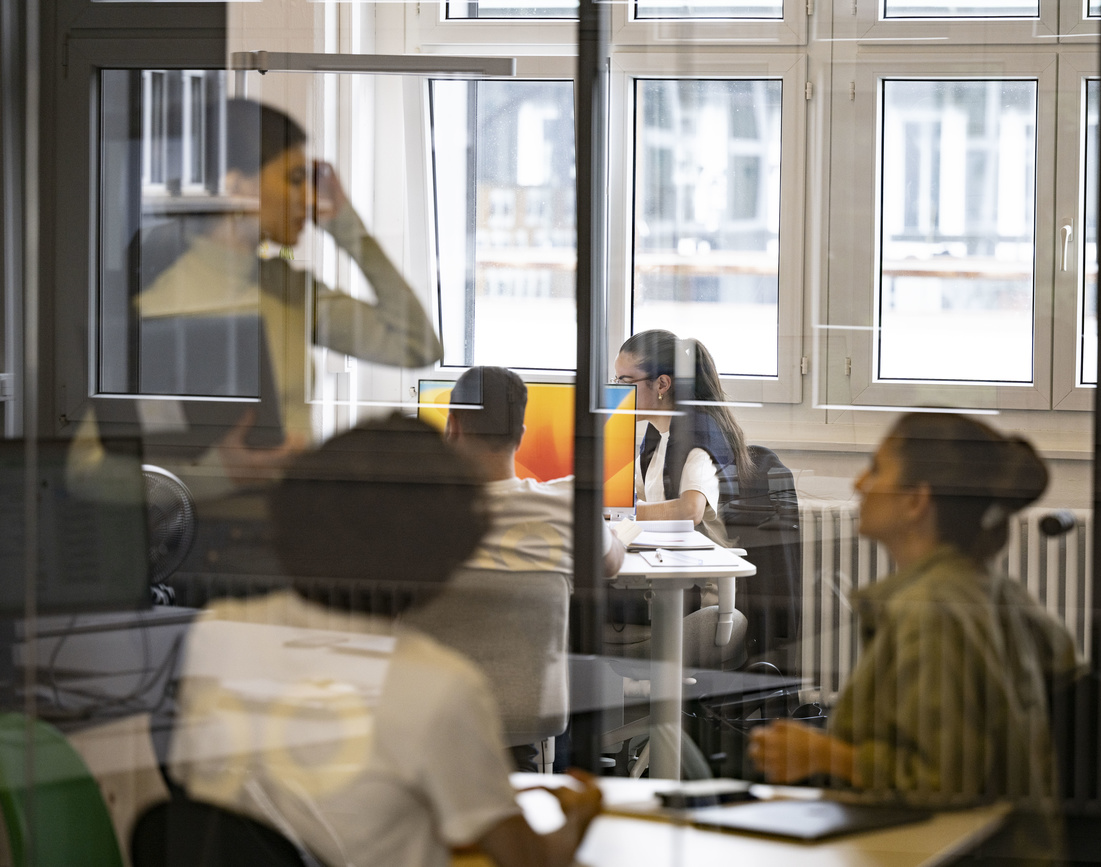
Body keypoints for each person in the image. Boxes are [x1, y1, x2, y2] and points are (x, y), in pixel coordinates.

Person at [167, 415, 602, 867]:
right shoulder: (437, 685)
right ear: (448, 551)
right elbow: (526, 859)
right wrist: (581, 816)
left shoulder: (217, 632)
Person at [747, 412, 1078, 864]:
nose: (861, 483)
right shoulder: (991, 591)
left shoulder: (932, 612)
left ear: (916, 502)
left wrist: (825, 754)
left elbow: (946, 779)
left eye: (877, 468)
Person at [136, 98, 441, 492]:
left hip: (295, 532)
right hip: (215, 540)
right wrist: (215, 473)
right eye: (294, 179)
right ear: (234, 186)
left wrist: (347, 226)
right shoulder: (162, 302)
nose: (308, 199)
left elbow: (416, 347)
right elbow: (91, 469)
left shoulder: (289, 289)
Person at [440, 365, 625, 581]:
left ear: (452, 428)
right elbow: (610, 566)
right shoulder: (572, 501)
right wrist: (612, 538)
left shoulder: (423, 510)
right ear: (520, 436)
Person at [613, 329, 751, 546]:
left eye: (625, 381)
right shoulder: (657, 436)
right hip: (664, 550)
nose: (618, 392)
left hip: (703, 565)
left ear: (662, 384)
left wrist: (621, 513)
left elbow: (690, 510)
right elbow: (636, 498)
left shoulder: (699, 436)